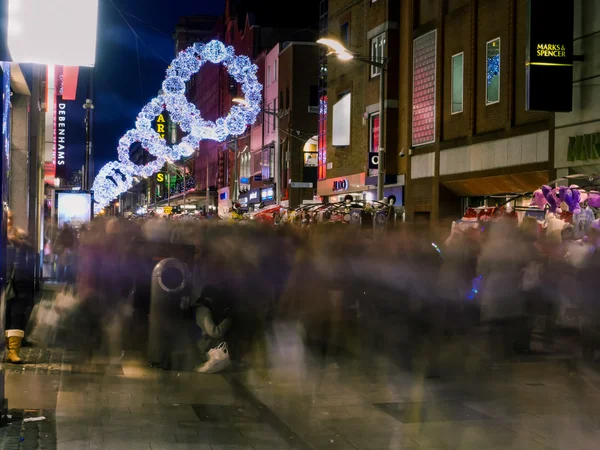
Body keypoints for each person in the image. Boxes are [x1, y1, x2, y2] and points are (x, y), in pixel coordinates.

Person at [5, 210, 35, 364]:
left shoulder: (18, 235)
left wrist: (18, 241)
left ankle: (13, 351)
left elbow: (31, 249)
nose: (8, 221)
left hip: (16, 283)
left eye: (10, 218)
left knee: (16, 316)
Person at [194, 285, 234, 372]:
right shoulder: (203, 310)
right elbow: (215, 332)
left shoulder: (199, 308)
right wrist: (228, 320)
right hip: (203, 348)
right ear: (209, 298)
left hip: (199, 346)